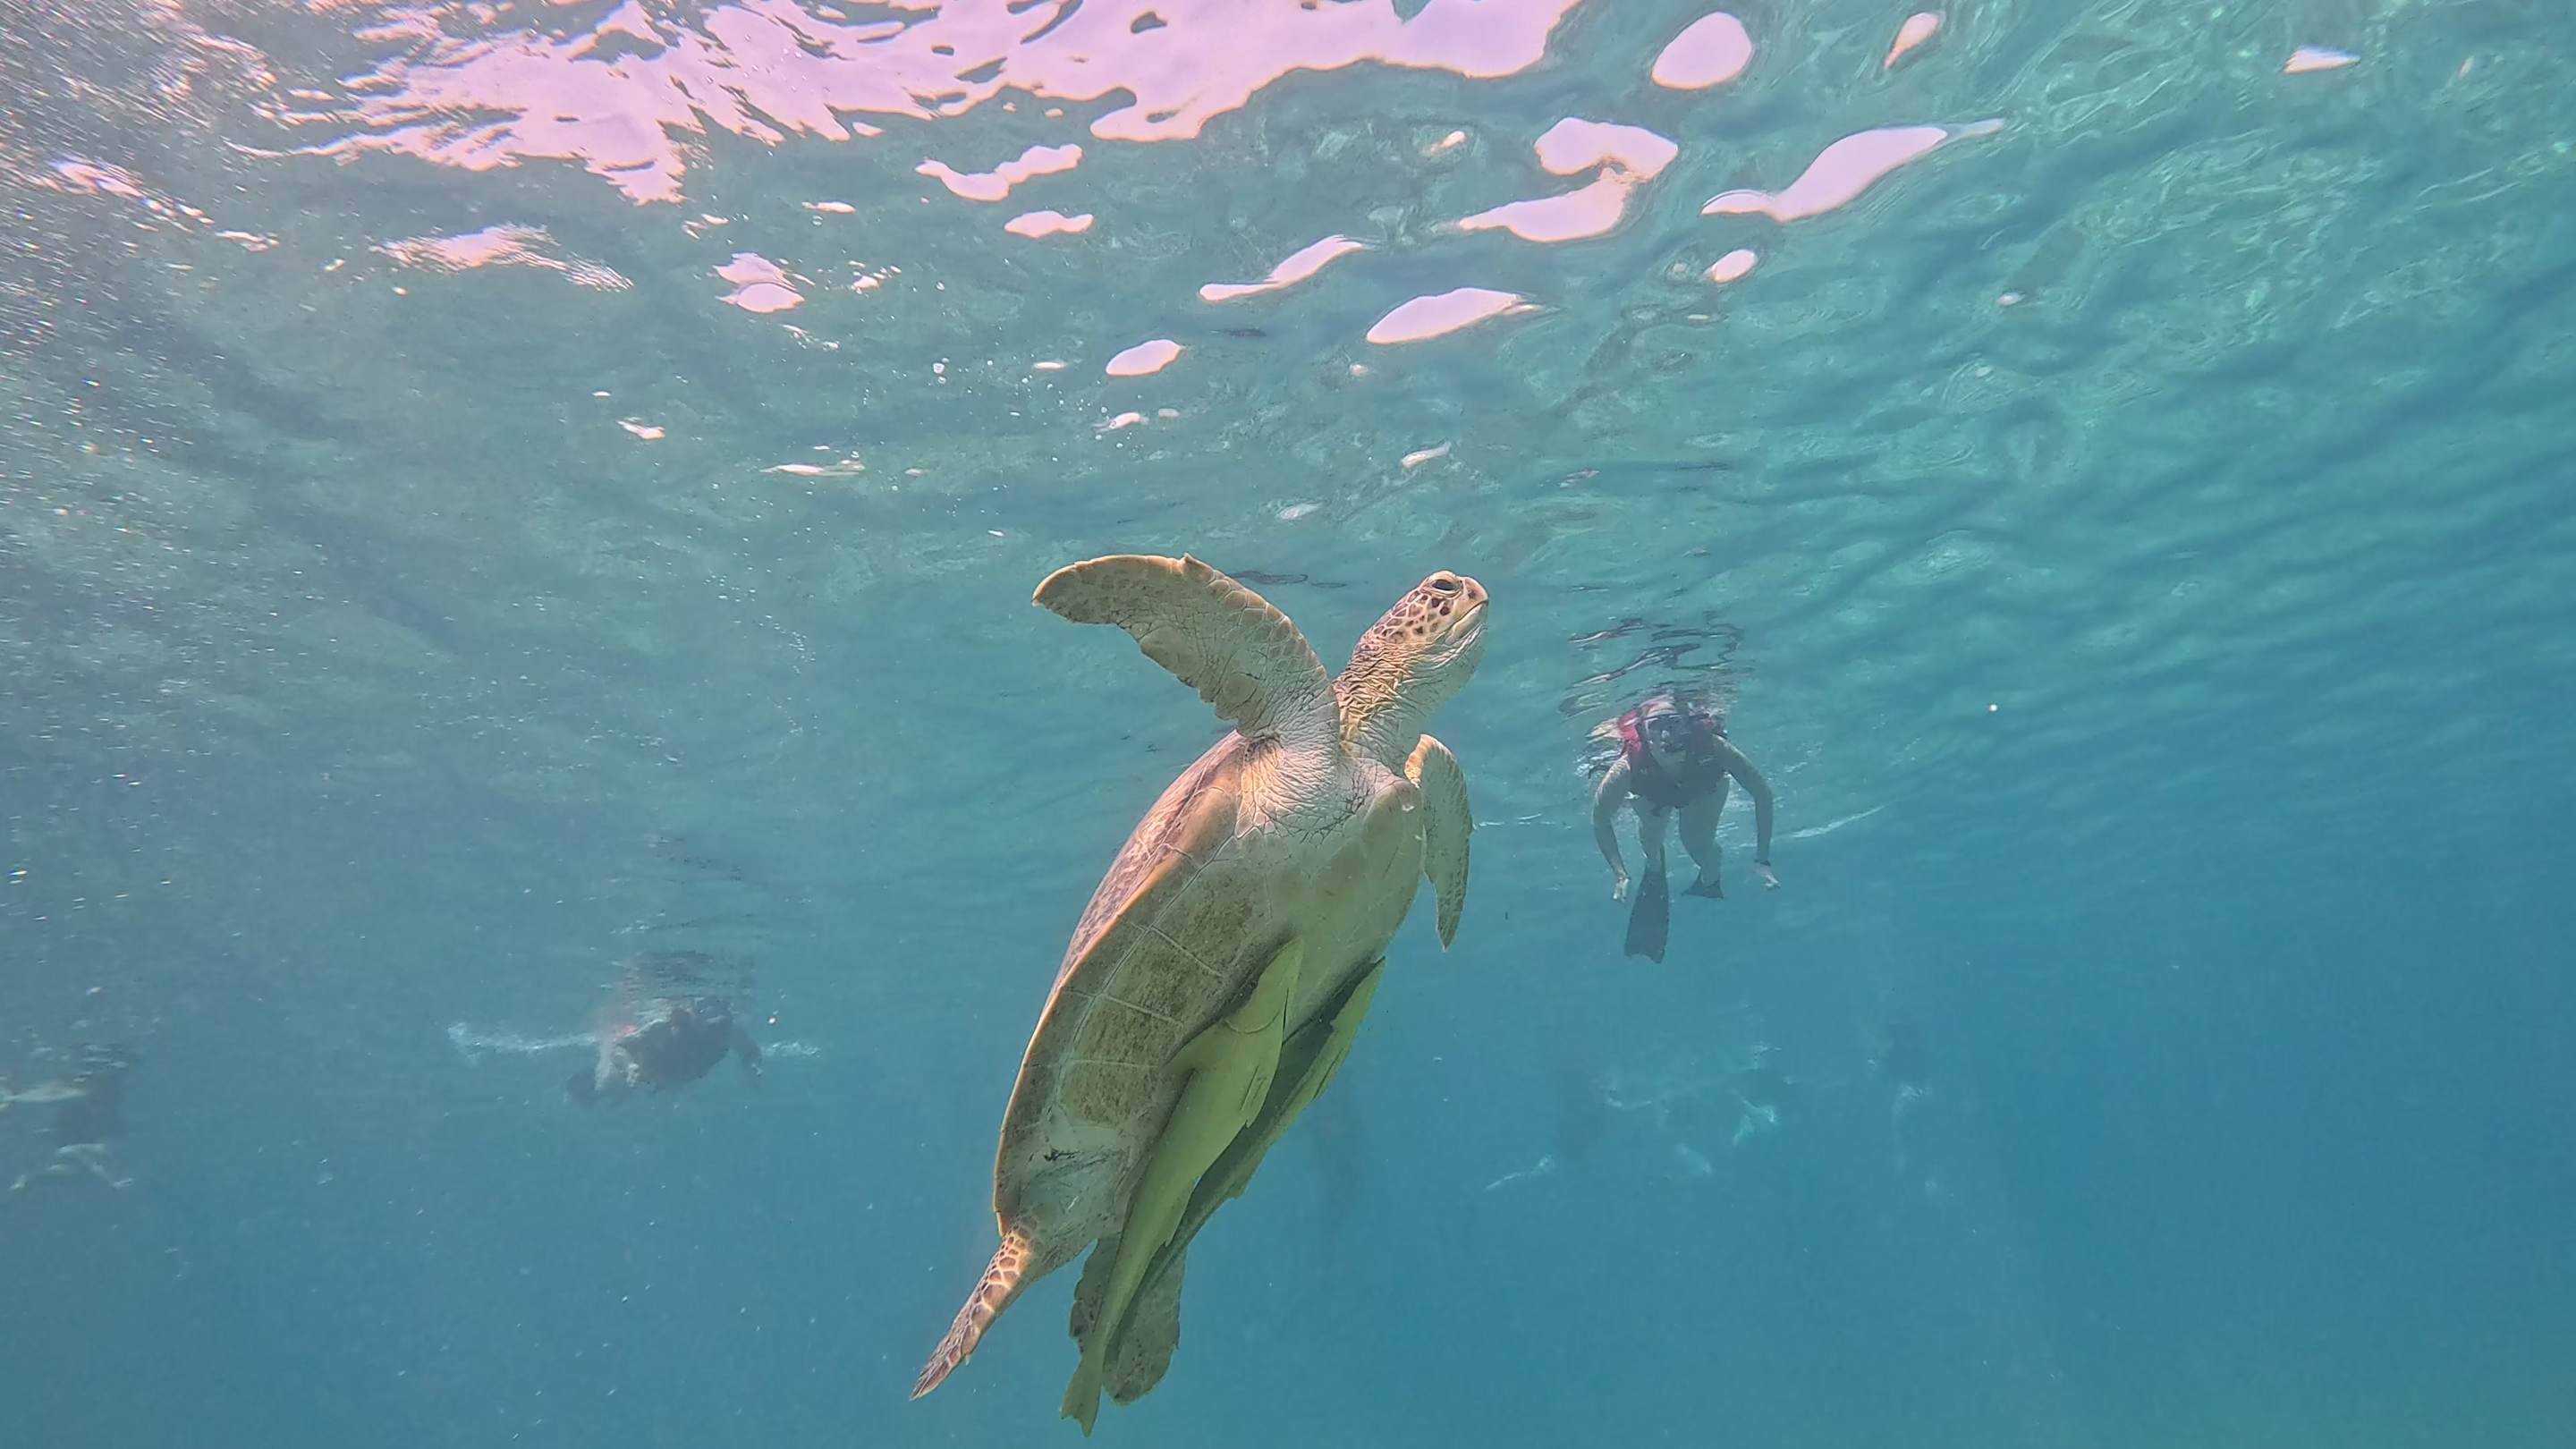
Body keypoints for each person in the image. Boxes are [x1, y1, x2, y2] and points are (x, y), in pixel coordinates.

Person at [1589, 687, 1777, 961]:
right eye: (1656, 726)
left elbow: (1762, 793)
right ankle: (1654, 866)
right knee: (1651, 840)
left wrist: (1763, 859)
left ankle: (1709, 878)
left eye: (1674, 723)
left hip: (1703, 788)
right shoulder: (1627, 766)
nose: (1666, 734)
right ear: (1643, 732)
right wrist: (1619, 873)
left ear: (1688, 726)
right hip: (1653, 793)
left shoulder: (1713, 746)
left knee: (1698, 845)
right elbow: (1600, 817)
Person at [565, 996, 762, 1105]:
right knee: (607, 1086)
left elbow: (750, 1052)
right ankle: (578, 1091)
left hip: (671, 1077)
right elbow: (620, 1047)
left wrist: (753, 1068)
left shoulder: (727, 1031)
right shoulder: (661, 1027)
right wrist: (630, 1066)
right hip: (644, 1069)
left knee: (616, 1091)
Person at [5, 1043, 136, 1196]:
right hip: (75, 1141)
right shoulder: (82, 1104)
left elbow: (101, 1149)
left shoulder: (102, 1114)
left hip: (77, 1143)